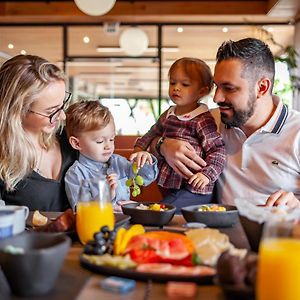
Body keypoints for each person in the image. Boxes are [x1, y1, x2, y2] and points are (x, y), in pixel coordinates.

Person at [156, 38, 300, 208]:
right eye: (216, 86)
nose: (217, 98)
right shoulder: (210, 120)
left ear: (262, 87)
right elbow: (151, 140)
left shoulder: (296, 131)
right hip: (216, 229)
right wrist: (163, 146)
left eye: (229, 88)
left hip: (277, 231)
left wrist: (297, 206)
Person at [133, 57, 226, 212]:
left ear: (202, 91)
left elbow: (217, 150)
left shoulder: (202, 119)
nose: (176, 88)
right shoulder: (169, 113)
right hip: (172, 183)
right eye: (172, 83)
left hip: (195, 187)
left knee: (163, 210)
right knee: (167, 209)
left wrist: (207, 175)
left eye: (185, 84)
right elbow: (152, 132)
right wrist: (138, 149)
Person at [0, 54, 78, 211]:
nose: (62, 116)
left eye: (62, 104)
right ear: (18, 110)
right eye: (51, 111)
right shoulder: (4, 158)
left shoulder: (70, 138)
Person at [64, 100, 158, 211]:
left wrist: (145, 160)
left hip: (127, 221)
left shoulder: (119, 163)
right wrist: (105, 196)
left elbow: (146, 178)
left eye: (112, 139)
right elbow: (81, 211)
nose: (108, 146)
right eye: (99, 141)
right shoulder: (76, 175)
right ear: (77, 143)